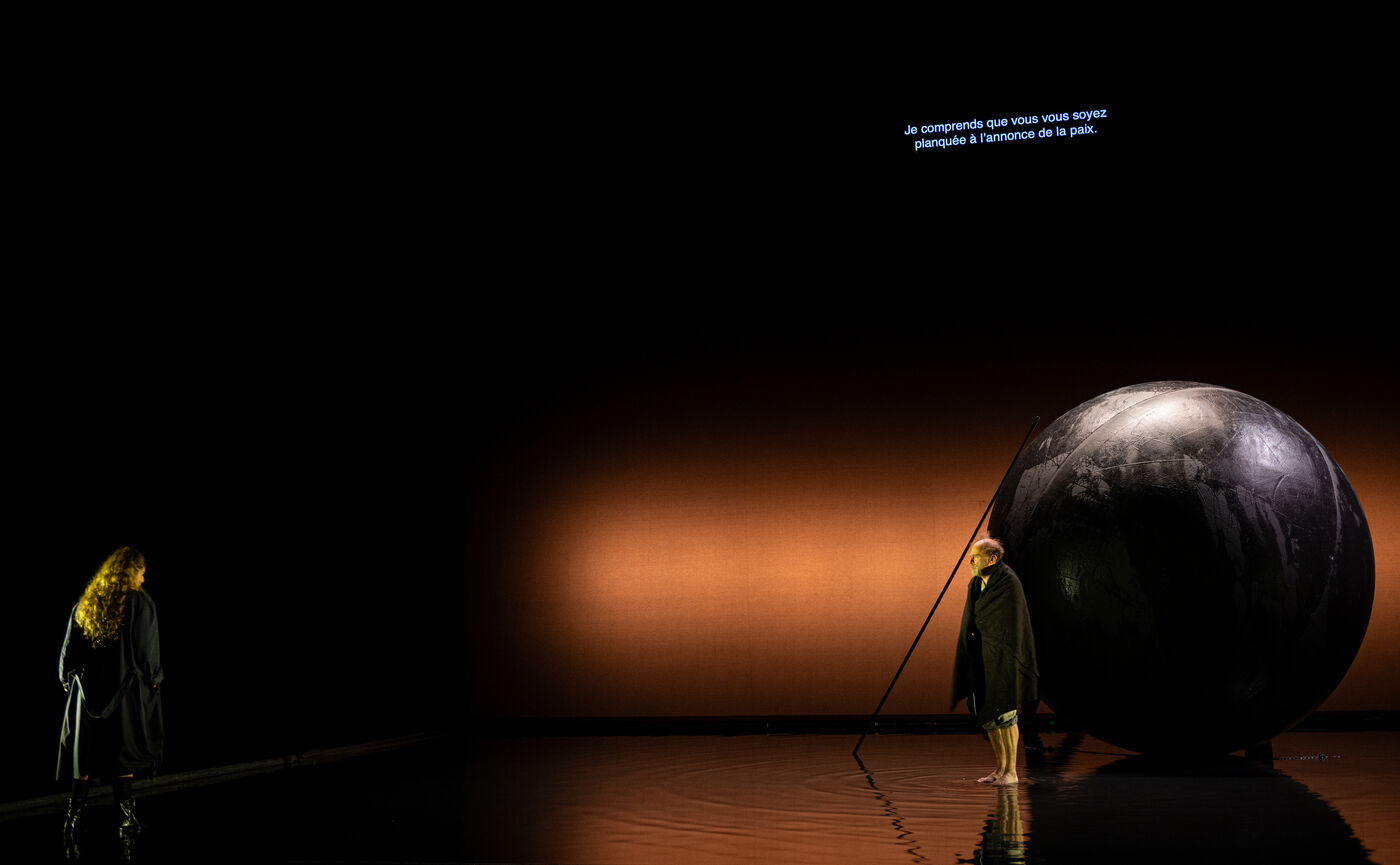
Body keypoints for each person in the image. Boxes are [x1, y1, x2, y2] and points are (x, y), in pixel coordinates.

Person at [57, 546, 164, 848]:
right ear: (132, 571)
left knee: (85, 759)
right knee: (123, 754)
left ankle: (72, 820)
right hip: (123, 691)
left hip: (87, 696)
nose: (144, 579)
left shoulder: (86, 603)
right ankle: (127, 820)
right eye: (142, 573)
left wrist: (66, 678)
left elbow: (68, 653)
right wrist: (154, 680)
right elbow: (147, 652)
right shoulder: (139, 603)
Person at [950, 538, 1037, 786]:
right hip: (983, 656)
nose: (970, 561)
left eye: (976, 556)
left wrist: (992, 641)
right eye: (970, 556)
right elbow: (973, 619)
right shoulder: (976, 584)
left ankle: (1012, 772)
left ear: (992, 558)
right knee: (988, 712)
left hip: (1006, 658)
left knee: (1006, 714)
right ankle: (1000, 769)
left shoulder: (1007, 581)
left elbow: (1011, 624)